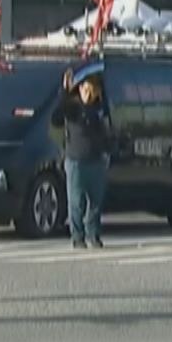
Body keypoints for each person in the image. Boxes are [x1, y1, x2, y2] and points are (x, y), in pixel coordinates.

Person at [53, 63, 113, 250]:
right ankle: (77, 237)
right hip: (76, 160)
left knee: (95, 202)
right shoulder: (72, 108)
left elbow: (107, 129)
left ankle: (93, 235)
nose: (88, 94)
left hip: (96, 160)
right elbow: (56, 116)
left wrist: (107, 151)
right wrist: (65, 91)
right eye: (85, 89)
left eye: (92, 90)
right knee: (76, 202)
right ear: (79, 89)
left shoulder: (100, 109)